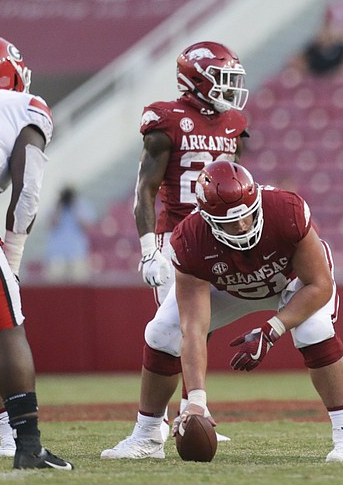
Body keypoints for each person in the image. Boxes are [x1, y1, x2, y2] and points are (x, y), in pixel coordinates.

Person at [102, 161, 343, 463]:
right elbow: (195, 328)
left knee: (313, 331)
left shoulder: (286, 210)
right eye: (231, 220)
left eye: (247, 215)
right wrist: (196, 402)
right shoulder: (190, 240)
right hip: (231, 286)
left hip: (292, 282)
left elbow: (319, 285)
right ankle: (148, 434)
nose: (242, 225)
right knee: (162, 331)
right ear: (207, 218)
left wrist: (271, 330)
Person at [133, 41, 249, 432]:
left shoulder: (234, 122)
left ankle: (192, 413)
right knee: (176, 331)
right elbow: (145, 190)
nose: (231, 89)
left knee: (203, 329)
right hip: (176, 239)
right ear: (196, 79)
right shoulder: (167, 120)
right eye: (223, 79)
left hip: (218, 239)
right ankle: (159, 422)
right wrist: (150, 250)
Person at [0, 35, 73, 470]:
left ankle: (6, 430)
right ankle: (27, 447)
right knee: (5, 325)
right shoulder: (23, 105)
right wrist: (12, 260)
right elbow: (29, 188)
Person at [44, 186, 95, 282]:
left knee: (79, 286)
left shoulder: (81, 206)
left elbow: (86, 226)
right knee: (54, 286)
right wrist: (59, 207)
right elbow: (51, 223)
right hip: (56, 253)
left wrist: (75, 207)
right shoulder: (55, 206)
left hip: (77, 252)